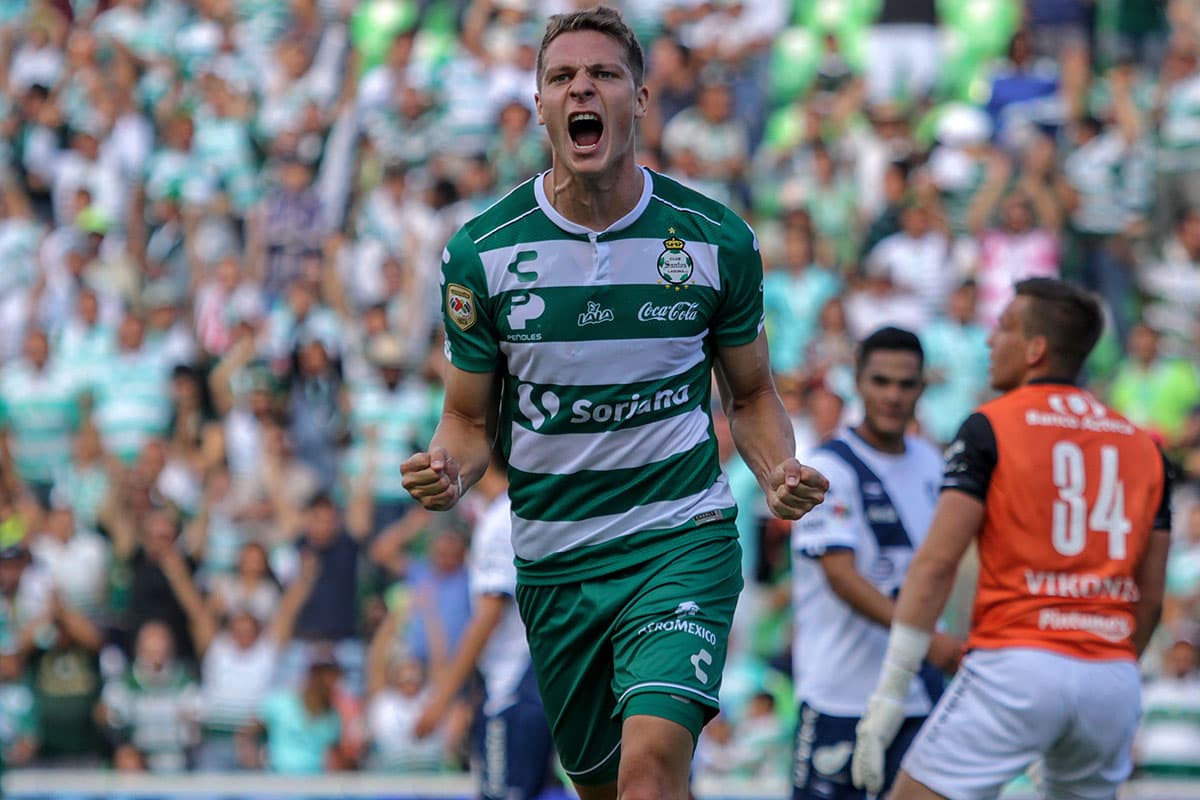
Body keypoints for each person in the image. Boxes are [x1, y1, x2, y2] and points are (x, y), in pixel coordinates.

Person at [401, 7, 828, 800]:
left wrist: (777, 470)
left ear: (640, 98)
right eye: (562, 77)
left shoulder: (715, 238)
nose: (582, 89)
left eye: (603, 74)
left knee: (651, 771)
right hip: (558, 564)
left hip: (680, 540)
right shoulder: (482, 252)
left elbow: (752, 395)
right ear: (538, 104)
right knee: (608, 788)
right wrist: (450, 470)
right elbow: (467, 421)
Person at [852, 278, 1173, 800]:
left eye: (1003, 327)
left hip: (1016, 664)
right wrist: (1101, 673)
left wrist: (889, 694)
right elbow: (1152, 597)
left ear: (1035, 349)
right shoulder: (1144, 447)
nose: (990, 339)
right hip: (1112, 675)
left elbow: (936, 565)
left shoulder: (990, 426)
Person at [791, 327, 962, 800]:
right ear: (857, 382)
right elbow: (841, 576)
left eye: (906, 384)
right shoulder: (827, 468)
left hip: (919, 694)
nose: (893, 395)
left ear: (923, 387)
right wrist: (926, 641)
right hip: (841, 693)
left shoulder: (932, 463)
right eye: (881, 381)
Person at [413, 454, 556, 800]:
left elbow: (488, 618)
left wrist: (442, 699)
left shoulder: (499, 521)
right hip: (534, 684)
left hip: (511, 691)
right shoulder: (522, 510)